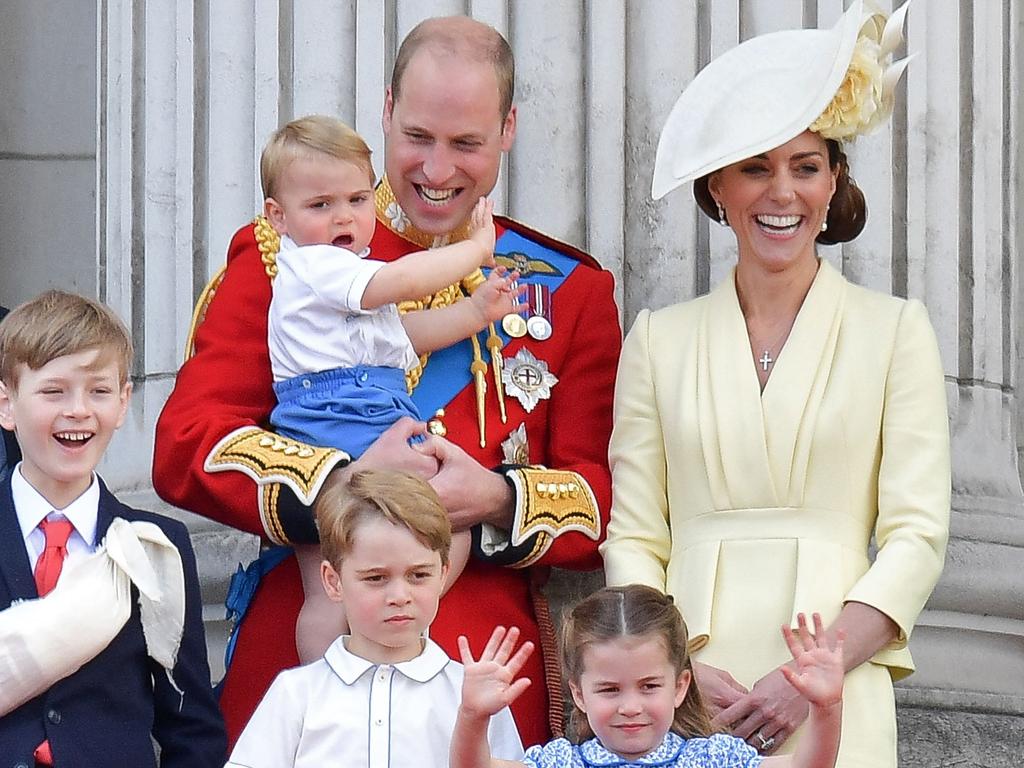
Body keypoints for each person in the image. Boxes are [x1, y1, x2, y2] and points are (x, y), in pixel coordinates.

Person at [152, 14, 621, 748]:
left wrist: (497, 497)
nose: (437, 171)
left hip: (478, 676)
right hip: (313, 678)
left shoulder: (570, 292)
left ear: (508, 129)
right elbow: (187, 447)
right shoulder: (286, 257)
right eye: (418, 139)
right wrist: (342, 481)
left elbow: (599, 501)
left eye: (465, 143)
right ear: (386, 112)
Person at [601, 3, 949, 766]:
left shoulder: (896, 331)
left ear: (833, 185)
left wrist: (813, 676)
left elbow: (916, 536)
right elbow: (632, 534)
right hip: (685, 691)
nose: (781, 192)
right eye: (755, 167)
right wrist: (677, 675)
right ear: (717, 189)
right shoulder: (659, 340)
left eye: (806, 166)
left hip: (835, 679)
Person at [260, 114, 522, 663]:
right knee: (353, 572)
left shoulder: (346, 274)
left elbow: (404, 336)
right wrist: (475, 250)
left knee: (351, 572)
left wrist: (475, 311)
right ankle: (326, 687)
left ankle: (372, 646)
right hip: (338, 420)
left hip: (361, 406)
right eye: (320, 205)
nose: (344, 218)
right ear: (277, 218)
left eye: (357, 200)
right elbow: (399, 284)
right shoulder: (317, 267)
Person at [0, 291, 225, 767]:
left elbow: (190, 723)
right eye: (53, 391)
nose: (79, 410)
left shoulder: (157, 545)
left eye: (99, 391)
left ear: (123, 404)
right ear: (6, 404)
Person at [226, 469, 524, 766]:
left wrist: (473, 716)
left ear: (443, 573)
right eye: (376, 578)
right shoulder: (296, 693)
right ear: (333, 581)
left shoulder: (472, 693)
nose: (399, 595)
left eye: (419, 575)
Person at [451, 585, 845, 768]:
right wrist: (473, 716)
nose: (630, 707)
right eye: (608, 689)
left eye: (649, 687)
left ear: (680, 687)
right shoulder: (561, 763)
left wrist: (827, 708)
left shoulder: (711, 759)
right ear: (579, 694)